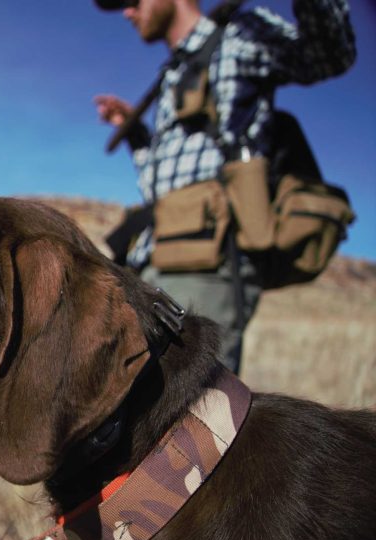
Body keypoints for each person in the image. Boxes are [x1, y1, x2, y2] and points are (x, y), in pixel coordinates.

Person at [92, 0, 355, 373]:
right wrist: (136, 135)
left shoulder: (237, 38)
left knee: (190, 409)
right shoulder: (173, 73)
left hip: (209, 264)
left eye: (132, 1)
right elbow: (159, 186)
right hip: (156, 260)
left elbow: (327, 55)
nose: (127, 12)